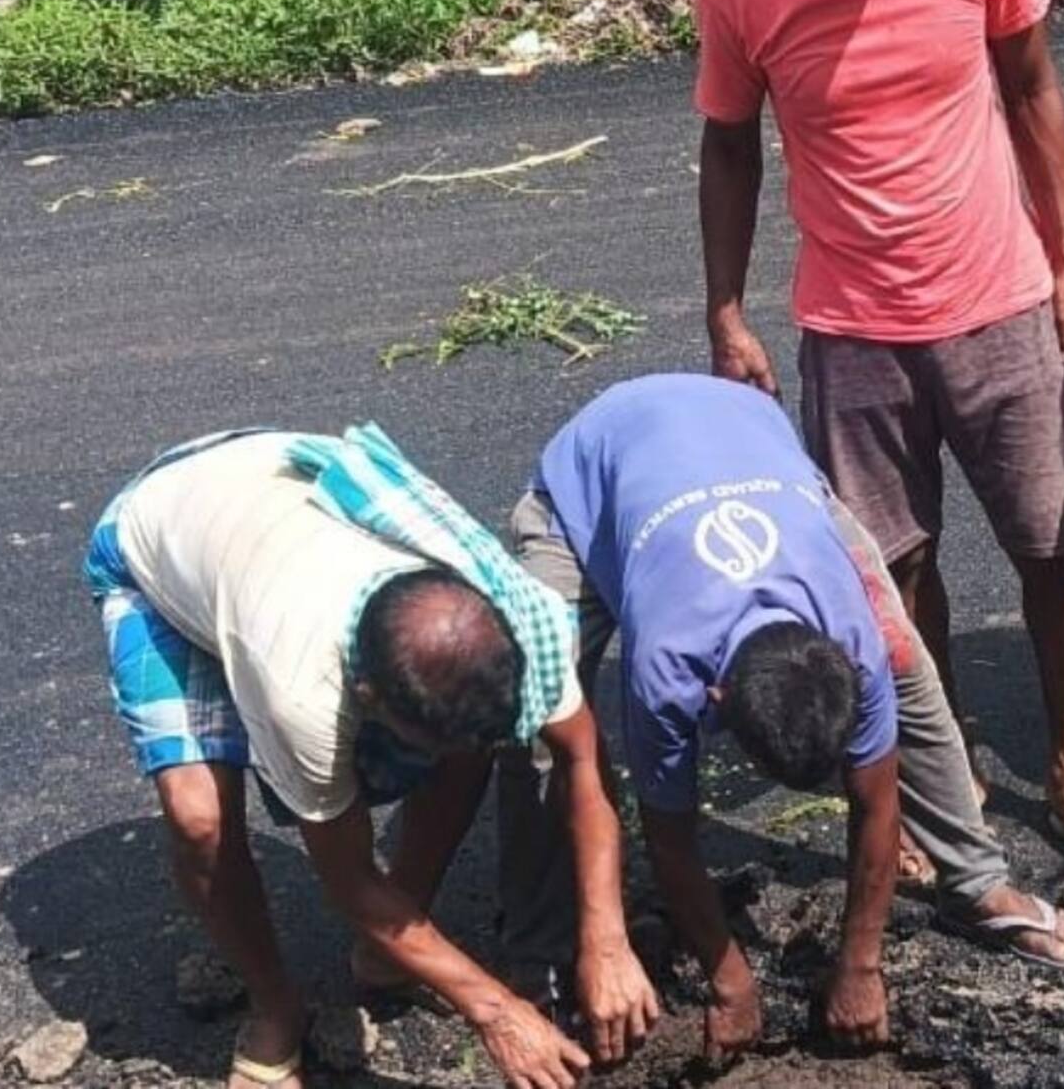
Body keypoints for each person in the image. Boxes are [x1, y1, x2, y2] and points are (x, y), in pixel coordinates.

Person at [693, 0, 1064, 873]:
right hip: (853, 330)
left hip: (1000, 306)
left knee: (1052, 548)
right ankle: (941, 785)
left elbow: (1031, 86)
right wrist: (725, 310)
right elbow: (728, 146)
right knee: (893, 576)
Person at [495, 375, 1064, 1063]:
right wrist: (730, 983)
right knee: (537, 712)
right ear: (715, 701)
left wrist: (860, 967)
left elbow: (876, 803)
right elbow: (670, 837)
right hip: (592, 484)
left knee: (909, 667)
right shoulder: (668, 666)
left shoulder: (854, 638)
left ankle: (978, 881)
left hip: (757, 453)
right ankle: (539, 955)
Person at [82, 425, 657, 1089]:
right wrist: (495, 1010)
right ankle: (276, 1007)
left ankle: (387, 956)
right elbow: (348, 877)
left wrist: (606, 940)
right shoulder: (302, 688)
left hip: (272, 482)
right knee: (200, 819)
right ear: (365, 696)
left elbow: (582, 760)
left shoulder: (518, 620)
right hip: (161, 538)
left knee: (468, 743)